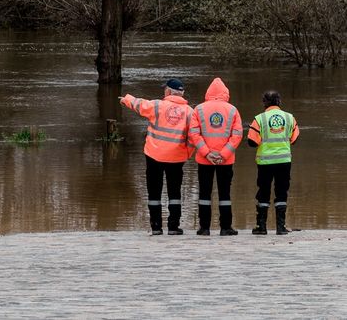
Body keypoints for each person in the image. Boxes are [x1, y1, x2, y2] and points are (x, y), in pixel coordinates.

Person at [120, 78, 194, 235]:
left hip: (154, 155)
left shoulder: (157, 106)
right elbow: (194, 137)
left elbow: (140, 104)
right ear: (182, 93)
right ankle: (173, 227)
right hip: (177, 157)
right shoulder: (190, 112)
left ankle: (156, 227)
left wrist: (126, 99)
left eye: (164, 90)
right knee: (175, 193)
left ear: (168, 91)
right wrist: (188, 153)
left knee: (154, 192)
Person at [188, 77, 244, 236]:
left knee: (204, 194)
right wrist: (224, 154)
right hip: (225, 160)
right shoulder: (232, 110)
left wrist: (207, 153)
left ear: (208, 93)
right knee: (225, 194)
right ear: (226, 93)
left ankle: (204, 228)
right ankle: (225, 227)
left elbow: (194, 134)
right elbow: (237, 134)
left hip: (204, 159)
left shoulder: (198, 109)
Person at [247, 90, 299, 235]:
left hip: (265, 163)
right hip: (284, 161)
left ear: (264, 102)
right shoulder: (290, 118)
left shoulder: (259, 119)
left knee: (263, 193)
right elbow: (294, 140)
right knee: (281, 192)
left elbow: (251, 142)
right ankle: (280, 228)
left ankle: (261, 227)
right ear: (279, 102)